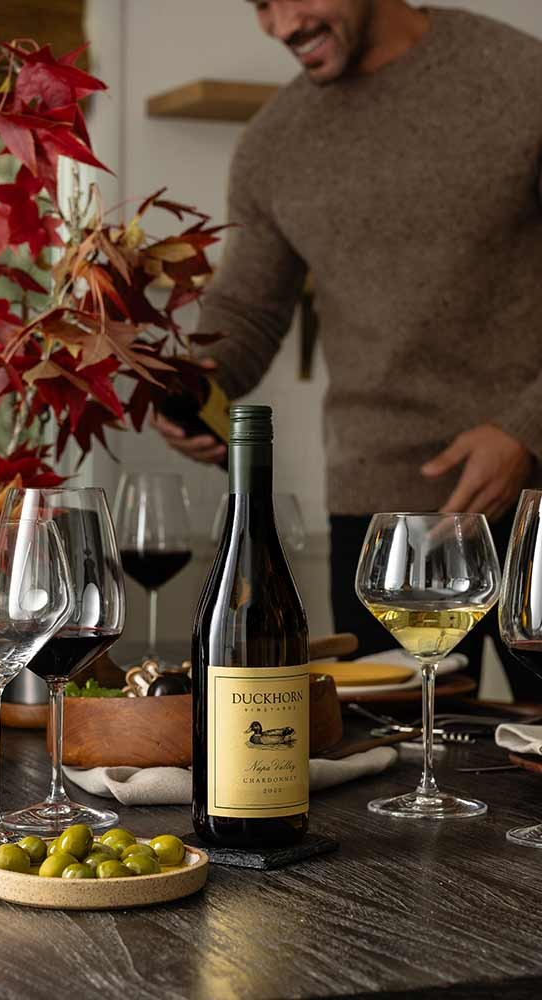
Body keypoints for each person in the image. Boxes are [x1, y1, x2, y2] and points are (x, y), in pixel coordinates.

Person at [154, 0, 542, 697]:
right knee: (390, 774)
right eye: (261, 6)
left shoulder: (522, 79)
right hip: (381, 517)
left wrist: (525, 429)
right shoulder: (276, 143)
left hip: (538, 506)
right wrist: (199, 383)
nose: (279, 25)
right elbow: (245, 310)